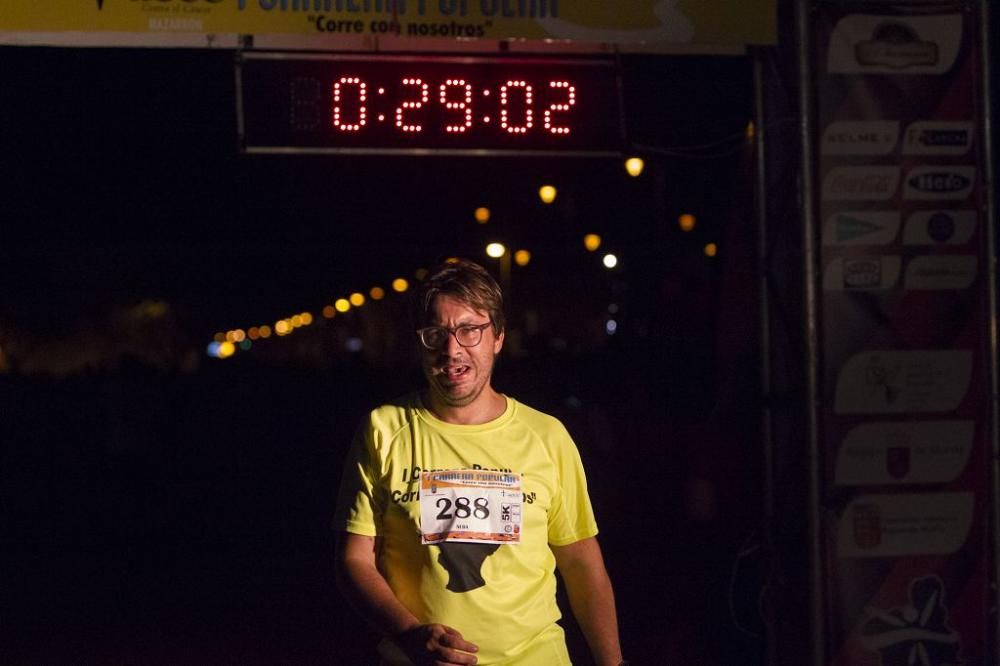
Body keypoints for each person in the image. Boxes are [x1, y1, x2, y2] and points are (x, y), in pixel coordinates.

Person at [334, 259, 625, 665]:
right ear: (421, 341)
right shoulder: (385, 429)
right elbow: (354, 559)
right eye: (436, 333)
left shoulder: (547, 436)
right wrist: (409, 634)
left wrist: (612, 662)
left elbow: (580, 561)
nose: (453, 349)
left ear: (498, 337)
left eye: (470, 329)